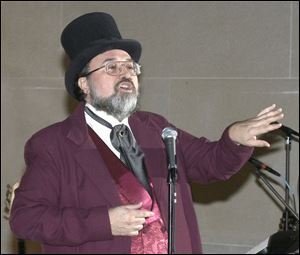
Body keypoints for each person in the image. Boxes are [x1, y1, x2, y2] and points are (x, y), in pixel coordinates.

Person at [9, 12, 284, 254]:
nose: (126, 73)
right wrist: (104, 222)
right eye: (112, 67)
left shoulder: (155, 128)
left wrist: (234, 139)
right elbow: (25, 218)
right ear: (84, 83)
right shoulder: (53, 145)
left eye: (130, 67)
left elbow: (209, 164)